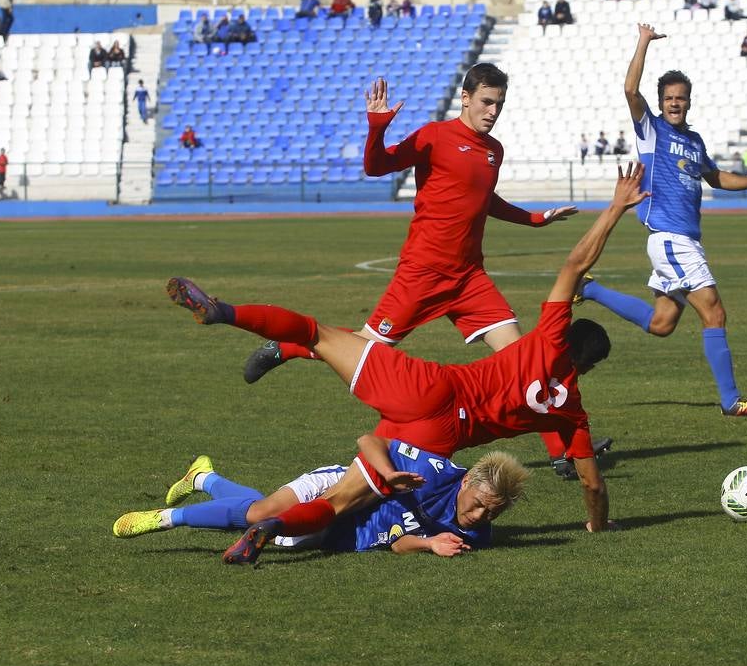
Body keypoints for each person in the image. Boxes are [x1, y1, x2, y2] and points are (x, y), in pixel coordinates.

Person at [166, 164, 650, 541]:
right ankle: (270, 528)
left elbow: (575, 261)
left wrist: (614, 209)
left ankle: (225, 312)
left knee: (317, 332)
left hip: (427, 386)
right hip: (438, 440)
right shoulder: (574, 415)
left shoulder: (547, 336)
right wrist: (597, 524)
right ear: (589, 365)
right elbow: (592, 485)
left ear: (566, 335)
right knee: (341, 502)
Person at [241, 67, 606, 478]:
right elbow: (377, 165)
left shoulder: (494, 151)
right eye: (487, 101)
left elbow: (486, 199)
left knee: (524, 362)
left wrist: (536, 218)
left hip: (470, 278)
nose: (493, 111)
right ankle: (285, 347)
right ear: (465, 98)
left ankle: (563, 455)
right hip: (424, 272)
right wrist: (377, 126)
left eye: (499, 104)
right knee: (363, 349)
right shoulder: (434, 135)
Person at [576, 24, 747, 417]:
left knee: (662, 323)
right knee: (715, 313)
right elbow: (629, 90)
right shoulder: (651, 131)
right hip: (671, 238)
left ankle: (589, 290)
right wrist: (642, 41)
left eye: (681, 98)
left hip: (681, 241)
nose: (675, 103)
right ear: (661, 102)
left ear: (689, 102)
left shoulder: (694, 141)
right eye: (669, 98)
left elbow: (717, 177)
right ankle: (731, 401)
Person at [112, 447, 527, 563]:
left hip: (338, 532)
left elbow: (398, 543)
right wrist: (385, 472)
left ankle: (203, 477)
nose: (480, 517)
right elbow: (373, 440)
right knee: (261, 516)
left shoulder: (476, 535)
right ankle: (166, 519)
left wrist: (430, 544)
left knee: (262, 515)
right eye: (479, 505)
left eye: (493, 513)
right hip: (341, 487)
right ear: (468, 480)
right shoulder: (433, 471)